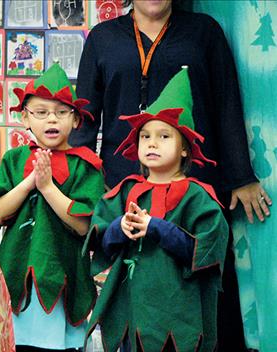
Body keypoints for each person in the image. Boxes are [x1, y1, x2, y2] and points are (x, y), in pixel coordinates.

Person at [69, 0, 271, 349]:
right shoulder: (103, 38)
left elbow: (225, 100)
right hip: (127, 190)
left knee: (203, 283)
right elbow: (84, 121)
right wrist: (73, 184)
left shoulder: (203, 32)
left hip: (192, 186)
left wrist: (240, 174)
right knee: (137, 285)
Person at [85, 68, 228, 351]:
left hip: (176, 312)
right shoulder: (125, 191)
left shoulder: (198, 197)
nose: (152, 142)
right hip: (131, 312)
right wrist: (120, 228)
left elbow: (207, 251)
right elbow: (101, 238)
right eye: (145, 136)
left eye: (164, 136)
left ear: (185, 148)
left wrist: (157, 228)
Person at [0, 63, 105, 351]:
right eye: (42, 112)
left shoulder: (85, 166)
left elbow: (83, 224)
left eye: (62, 112)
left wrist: (48, 188)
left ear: (75, 120)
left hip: (63, 271)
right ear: (25, 118)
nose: (52, 119)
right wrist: (29, 183)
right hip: (16, 268)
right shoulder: (14, 159)